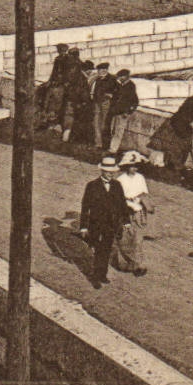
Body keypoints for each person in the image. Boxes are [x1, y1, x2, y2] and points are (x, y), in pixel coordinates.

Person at [78, 155, 129, 287]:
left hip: (111, 225)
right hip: (97, 224)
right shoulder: (92, 186)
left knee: (106, 249)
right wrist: (83, 227)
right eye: (108, 172)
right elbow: (85, 207)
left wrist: (126, 221)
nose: (111, 175)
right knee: (98, 250)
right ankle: (95, 277)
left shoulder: (117, 186)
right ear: (102, 171)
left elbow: (123, 204)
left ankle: (103, 275)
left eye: (113, 172)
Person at [152, 87, 193, 179]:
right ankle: (172, 167)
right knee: (176, 147)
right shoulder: (192, 101)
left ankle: (177, 167)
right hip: (178, 125)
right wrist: (190, 121)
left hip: (186, 127)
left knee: (185, 147)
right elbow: (182, 112)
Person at [112, 151, 154, 276]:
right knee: (125, 238)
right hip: (125, 211)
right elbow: (118, 199)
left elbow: (144, 193)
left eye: (136, 166)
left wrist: (143, 201)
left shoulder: (140, 178)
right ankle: (126, 262)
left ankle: (138, 265)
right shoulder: (120, 180)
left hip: (138, 211)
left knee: (138, 239)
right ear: (126, 166)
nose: (134, 168)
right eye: (131, 166)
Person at [104, 69, 139, 152]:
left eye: (121, 76)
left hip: (122, 113)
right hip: (115, 112)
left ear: (126, 77)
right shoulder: (120, 85)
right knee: (113, 130)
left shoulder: (131, 86)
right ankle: (111, 148)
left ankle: (113, 150)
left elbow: (134, 101)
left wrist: (128, 112)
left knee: (118, 132)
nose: (119, 78)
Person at [88, 62, 114, 146]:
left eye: (99, 70)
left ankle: (105, 144)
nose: (98, 72)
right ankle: (98, 143)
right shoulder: (98, 79)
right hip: (97, 103)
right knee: (96, 123)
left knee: (104, 124)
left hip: (106, 103)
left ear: (105, 70)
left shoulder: (112, 79)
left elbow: (116, 92)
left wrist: (110, 95)